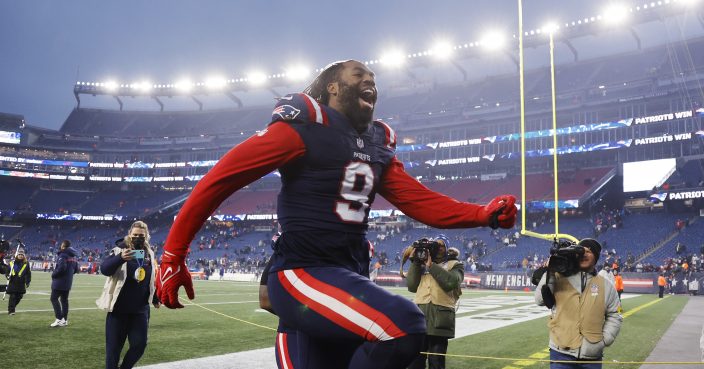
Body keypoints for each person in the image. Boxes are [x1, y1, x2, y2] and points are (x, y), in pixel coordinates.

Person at [156, 59, 518, 369]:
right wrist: (174, 255)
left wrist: (482, 214)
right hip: (303, 270)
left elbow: (419, 200)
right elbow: (221, 179)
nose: (369, 81)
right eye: (358, 74)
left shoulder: (377, 145)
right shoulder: (304, 128)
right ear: (332, 86)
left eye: (373, 78)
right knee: (403, 325)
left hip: (346, 275)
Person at [535, 239, 622, 369]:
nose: (584, 254)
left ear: (596, 257)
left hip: (592, 356)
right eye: (581, 251)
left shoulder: (607, 286)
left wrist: (605, 340)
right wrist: (550, 271)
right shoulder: (559, 277)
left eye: (589, 251)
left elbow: (615, 314)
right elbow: (540, 300)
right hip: (561, 353)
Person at [97, 221, 160, 369]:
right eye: (135, 235)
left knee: (139, 345)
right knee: (113, 351)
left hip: (140, 310)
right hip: (119, 310)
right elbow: (105, 269)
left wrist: (155, 298)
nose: (138, 238)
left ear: (147, 236)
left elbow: (150, 279)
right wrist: (120, 258)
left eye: (141, 235)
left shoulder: (149, 253)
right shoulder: (119, 250)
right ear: (129, 235)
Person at [405, 236, 463, 369]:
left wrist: (431, 266)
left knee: (436, 361)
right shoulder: (421, 263)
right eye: (435, 245)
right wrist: (415, 262)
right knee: (414, 361)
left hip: (440, 319)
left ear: (447, 249)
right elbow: (412, 286)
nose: (437, 247)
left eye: (441, 245)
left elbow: (451, 282)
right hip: (420, 317)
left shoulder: (455, 265)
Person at [50, 239, 79, 327]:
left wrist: (54, 274)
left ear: (63, 246)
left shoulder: (63, 255)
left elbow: (61, 268)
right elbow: (76, 269)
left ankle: (59, 318)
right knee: (64, 301)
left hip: (60, 282)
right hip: (68, 282)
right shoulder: (74, 257)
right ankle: (64, 320)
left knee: (54, 298)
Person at [6, 248, 31, 315]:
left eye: (22, 255)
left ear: (24, 255)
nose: (20, 256)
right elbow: (7, 271)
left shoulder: (26, 263)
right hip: (13, 282)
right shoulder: (12, 263)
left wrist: (28, 281)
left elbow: (28, 273)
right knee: (13, 296)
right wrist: (8, 276)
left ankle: (12, 307)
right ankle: (11, 311)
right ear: (17, 255)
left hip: (21, 283)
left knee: (19, 296)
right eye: (19, 254)